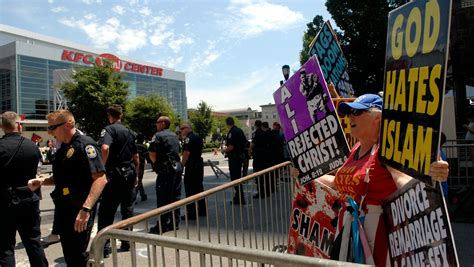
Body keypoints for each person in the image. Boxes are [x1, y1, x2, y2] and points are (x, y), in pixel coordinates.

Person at [302, 94, 449, 265]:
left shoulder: (388, 149)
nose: (350, 117)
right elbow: (338, 183)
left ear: (378, 118)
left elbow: (405, 182)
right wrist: (306, 176)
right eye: (349, 112)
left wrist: (431, 174)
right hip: (352, 231)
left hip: (380, 233)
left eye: (357, 112)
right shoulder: (356, 149)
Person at [27, 110, 107, 267]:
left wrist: (86, 209)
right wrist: (42, 181)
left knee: (76, 255)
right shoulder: (64, 147)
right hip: (64, 208)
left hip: (79, 210)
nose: (50, 132)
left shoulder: (86, 145)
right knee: (69, 254)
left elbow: (100, 179)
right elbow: (62, 178)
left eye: (53, 127)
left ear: (68, 124)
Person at [0, 111, 48, 267]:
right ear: (19, 125)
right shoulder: (31, 146)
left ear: (2, 127)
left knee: (6, 247)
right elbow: (37, 170)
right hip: (28, 197)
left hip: (4, 201)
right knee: (33, 241)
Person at [97, 104, 139, 256]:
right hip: (129, 173)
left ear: (110, 115)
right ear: (121, 115)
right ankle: (127, 241)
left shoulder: (109, 129)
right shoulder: (129, 132)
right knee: (128, 210)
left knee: (107, 211)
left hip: (113, 175)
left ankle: (104, 246)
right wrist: (137, 175)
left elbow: (105, 148)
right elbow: (136, 156)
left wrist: (101, 168)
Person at [148, 116, 182, 234]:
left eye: (157, 122)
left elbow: (152, 153)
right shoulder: (174, 135)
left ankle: (161, 226)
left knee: (163, 198)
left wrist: (156, 164)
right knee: (176, 196)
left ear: (163, 123)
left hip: (166, 169)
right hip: (177, 167)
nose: (156, 125)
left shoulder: (158, 136)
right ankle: (175, 222)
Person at [180, 123, 206, 219]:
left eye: (182, 128)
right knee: (199, 188)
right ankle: (202, 210)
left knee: (190, 190)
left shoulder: (188, 138)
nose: (181, 131)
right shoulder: (197, 137)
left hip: (192, 166)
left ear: (188, 128)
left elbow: (186, 153)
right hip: (199, 165)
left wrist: (182, 165)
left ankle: (191, 213)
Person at [222, 117, 247, 204]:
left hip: (234, 158)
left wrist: (223, 150)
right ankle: (238, 197)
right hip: (239, 157)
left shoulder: (232, 132)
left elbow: (231, 146)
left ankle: (240, 198)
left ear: (227, 123)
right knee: (237, 177)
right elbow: (245, 142)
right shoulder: (239, 130)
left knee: (235, 178)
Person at [135, 133, 149, 202]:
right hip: (141, 166)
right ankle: (133, 197)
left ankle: (143, 195)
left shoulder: (134, 146)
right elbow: (147, 156)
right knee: (139, 180)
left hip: (134, 165)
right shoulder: (144, 147)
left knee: (139, 180)